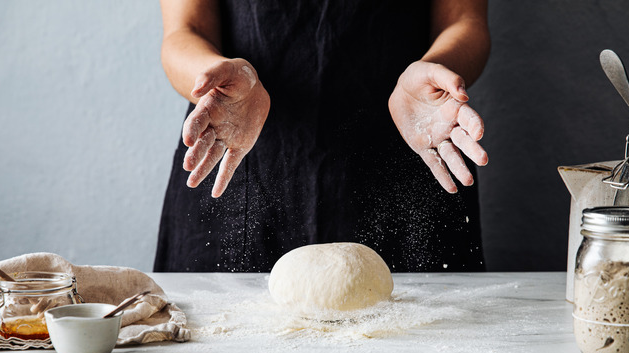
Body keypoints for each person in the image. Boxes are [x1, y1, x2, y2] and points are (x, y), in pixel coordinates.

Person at [154, 0, 491, 273]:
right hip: (241, 155)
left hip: (412, 147)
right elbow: (185, 31)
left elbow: (464, 21)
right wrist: (211, 78)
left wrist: (436, 68)